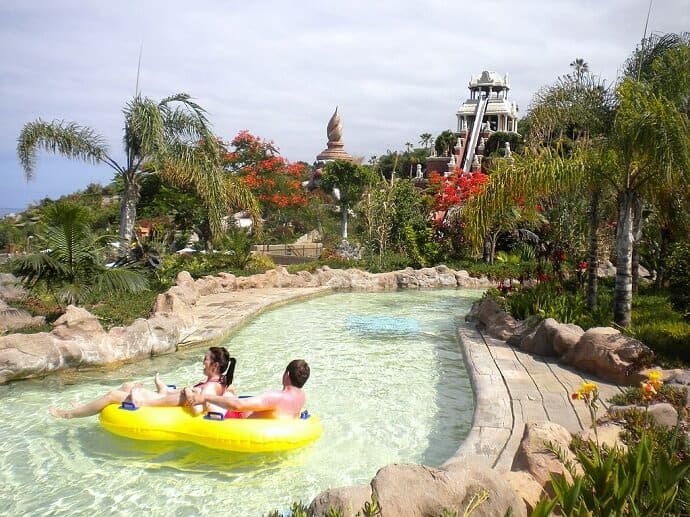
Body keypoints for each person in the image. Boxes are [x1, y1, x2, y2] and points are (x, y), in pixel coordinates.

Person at [48, 347, 236, 418]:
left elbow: (197, 408)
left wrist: (188, 391)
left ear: (215, 365)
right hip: (161, 398)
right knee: (128, 386)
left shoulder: (211, 387)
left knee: (112, 395)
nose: (202, 362)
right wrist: (163, 388)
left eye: (206, 359)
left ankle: (69, 414)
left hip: (152, 404)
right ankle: (85, 407)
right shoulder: (218, 381)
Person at [186, 359, 309, 419]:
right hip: (265, 425)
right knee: (229, 391)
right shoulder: (301, 396)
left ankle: (185, 391)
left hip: (236, 418)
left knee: (203, 392)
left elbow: (237, 405)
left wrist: (206, 397)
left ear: (286, 375)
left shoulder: (277, 396)